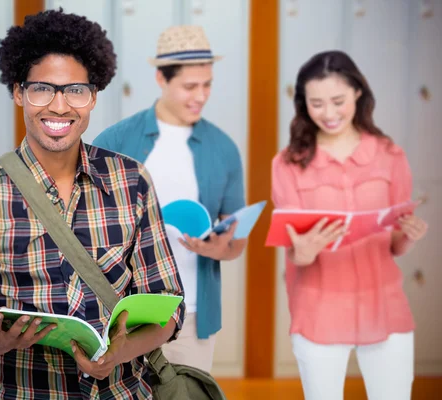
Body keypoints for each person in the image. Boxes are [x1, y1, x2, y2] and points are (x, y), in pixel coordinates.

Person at [0, 9, 185, 400]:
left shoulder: (131, 181)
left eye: (75, 90)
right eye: (42, 89)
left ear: (93, 96)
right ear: (18, 92)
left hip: (121, 392)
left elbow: (168, 310)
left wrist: (118, 354)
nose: (60, 106)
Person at [271, 50, 428, 400]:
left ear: (358, 92)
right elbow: (294, 250)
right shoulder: (288, 163)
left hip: (385, 306)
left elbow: (394, 244)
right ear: (303, 104)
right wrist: (305, 250)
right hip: (318, 309)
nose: (328, 114)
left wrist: (408, 236)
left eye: (338, 101)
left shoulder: (390, 155)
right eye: (316, 104)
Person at [93, 25, 246, 372]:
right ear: (161, 79)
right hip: (122, 314)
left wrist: (220, 248)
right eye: (190, 86)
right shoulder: (115, 141)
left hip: (192, 316)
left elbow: (237, 240)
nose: (201, 96)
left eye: (207, 84)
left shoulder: (223, 149)